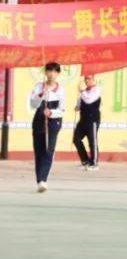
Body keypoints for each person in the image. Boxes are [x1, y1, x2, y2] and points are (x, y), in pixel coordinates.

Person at [29, 62, 65, 192]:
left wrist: (51, 112)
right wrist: (40, 95)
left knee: (48, 151)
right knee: (39, 152)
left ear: (58, 74)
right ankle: (40, 180)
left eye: (55, 72)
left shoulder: (61, 90)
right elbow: (32, 104)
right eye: (49, 71)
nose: (52, 74)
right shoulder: (39, 86)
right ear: (46, 72)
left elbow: (62, 109)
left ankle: (43, 179)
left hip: (53, 122)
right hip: (39, 120)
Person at [73, 74, 102, 170]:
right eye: (85, 79)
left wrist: (82, 92)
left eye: (89, 79)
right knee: (76, 139)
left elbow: (89, 100)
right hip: (83, 119)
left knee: (92, 141)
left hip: (92, 119)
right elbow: (80, 103)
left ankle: (94, 163)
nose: (86, 81)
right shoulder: (84, 92)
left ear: (93, 79)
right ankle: (85, 161)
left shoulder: (96, 90)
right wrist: (77, 106)